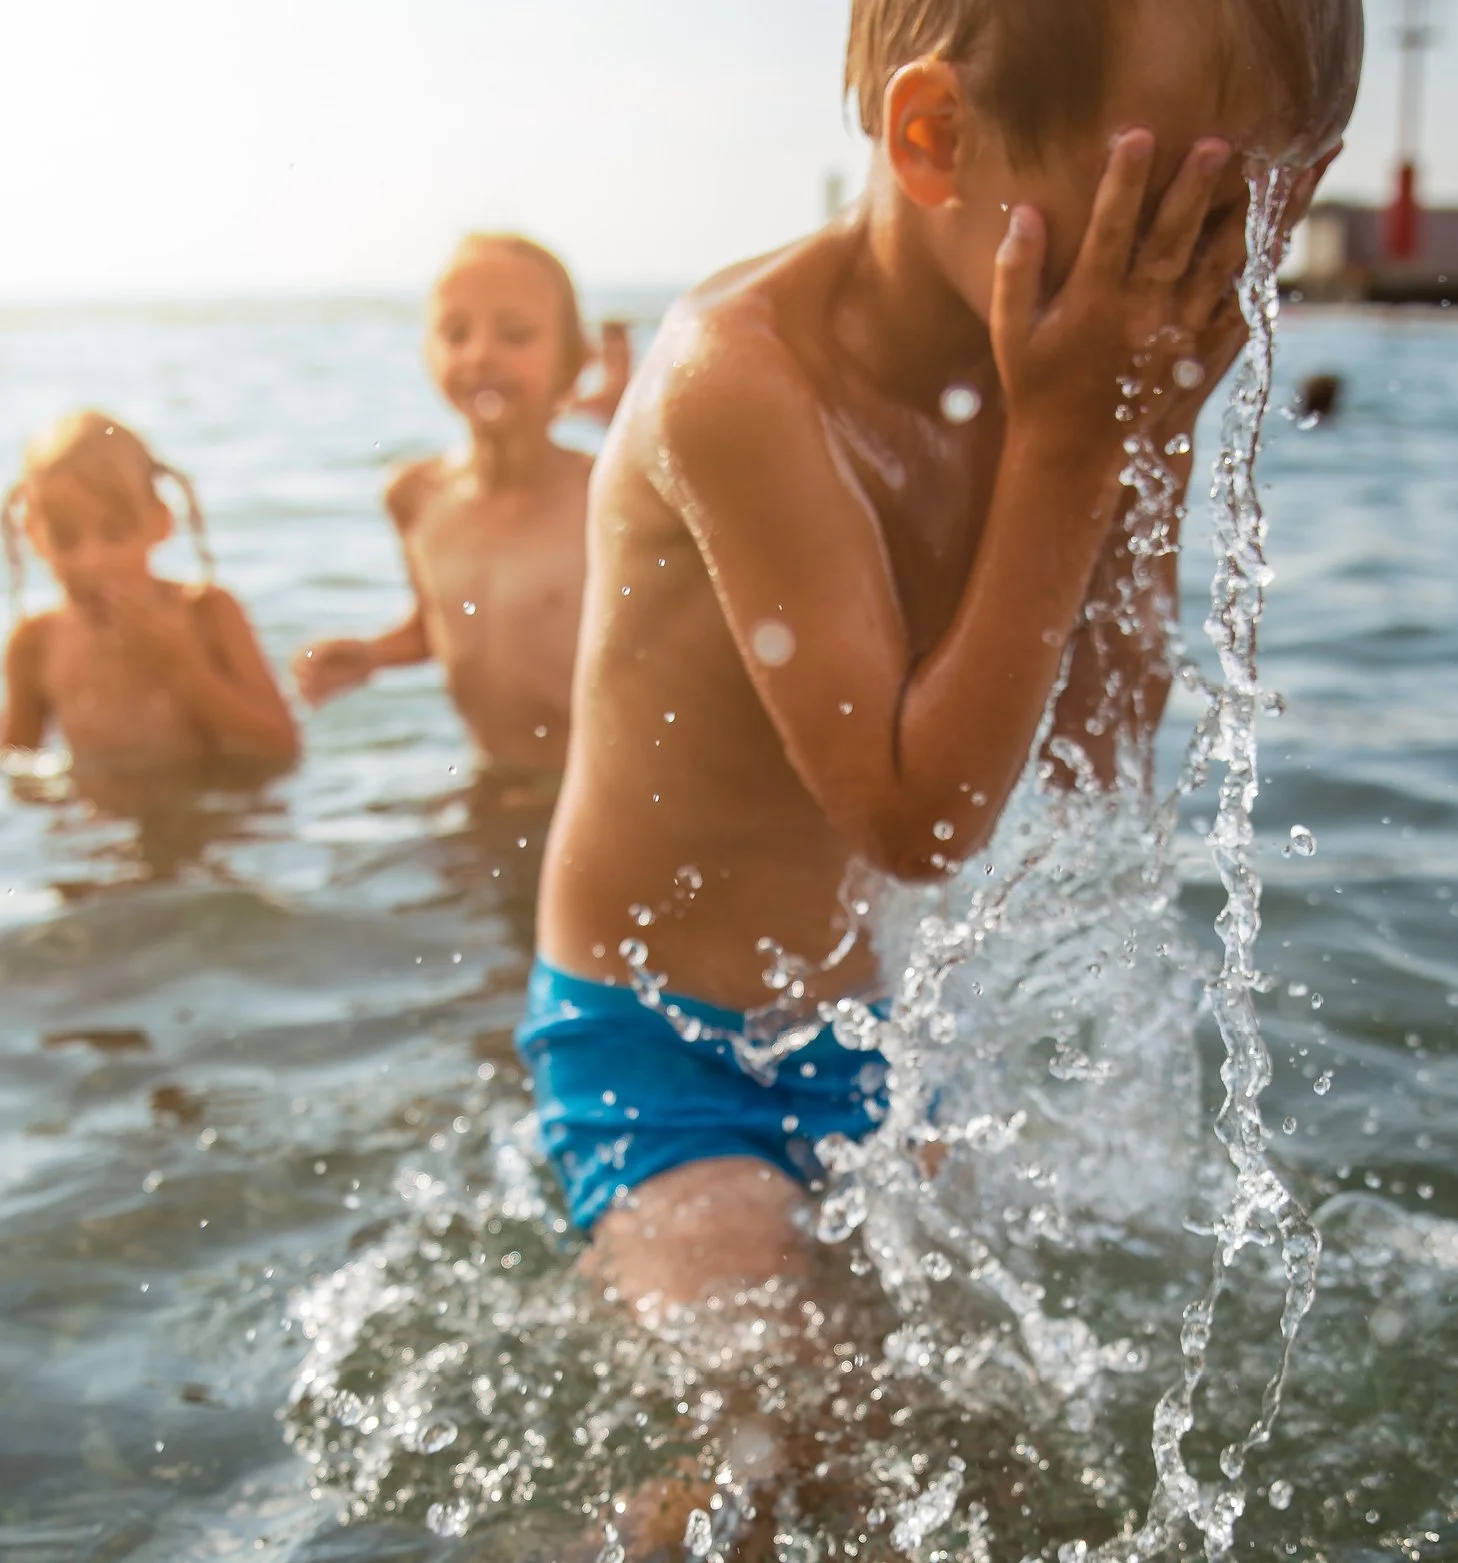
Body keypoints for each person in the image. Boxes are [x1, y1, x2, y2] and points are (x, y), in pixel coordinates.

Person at [522, 0, 1362, 1330]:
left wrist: (1149, 436)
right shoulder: (737, 380)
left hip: (867, 1031)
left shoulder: (1045, 391)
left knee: (965, 1422)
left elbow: (1096, 751)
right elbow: (914, 820)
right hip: (660, 1043)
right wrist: (1077, 446)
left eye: (1240, 242)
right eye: (1164, 228)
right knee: (754, 1424)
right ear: (933, 138)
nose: (1191, 294)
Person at [293, 234, 623, 782]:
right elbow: (447, 624)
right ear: (429, 355)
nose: (480, 355)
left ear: (573, 361)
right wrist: (374, 654)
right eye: (455, 334)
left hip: (596, 797)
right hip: (488, 781)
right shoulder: (416, 496)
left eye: (515, 335)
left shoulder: (603, 497)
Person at [1, 412, 298, 779]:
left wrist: (183, 666)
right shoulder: (34, 645)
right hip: (97, 828)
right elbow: (14, 765)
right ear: (32, 535)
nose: (92, 561)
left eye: (114, 533)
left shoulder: (208, 614)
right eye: (65, 538)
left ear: (160, 522)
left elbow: (282, 745)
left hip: (216, 823)